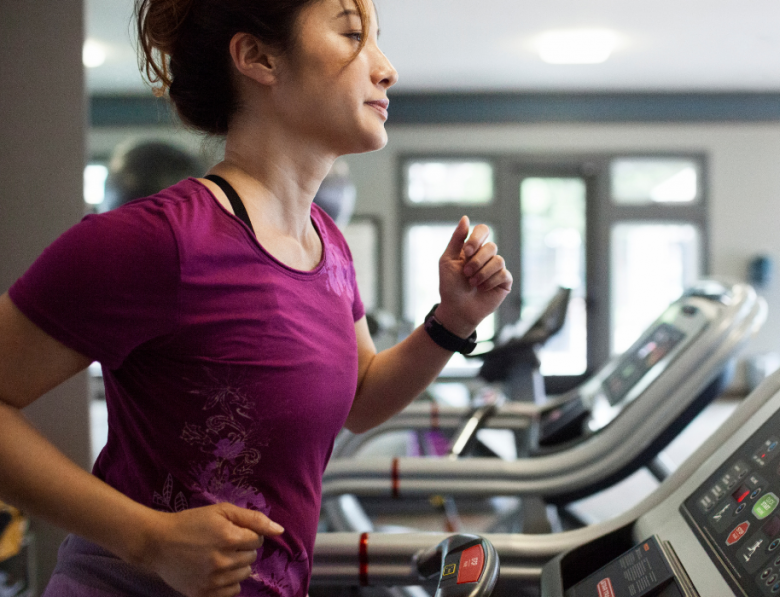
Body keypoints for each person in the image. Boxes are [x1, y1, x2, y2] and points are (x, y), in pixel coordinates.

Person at [0, 0, 512, 596]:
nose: (386, 68)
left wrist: (452, 321)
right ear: (259, 58)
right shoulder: (158, 242)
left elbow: (360, 400)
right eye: (353, 35)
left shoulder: (329, 246)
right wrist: (150, 539)